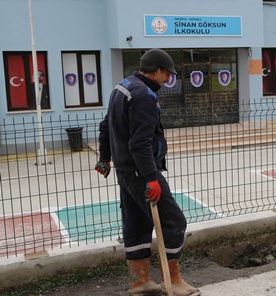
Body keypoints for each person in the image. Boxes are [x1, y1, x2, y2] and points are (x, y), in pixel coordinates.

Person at [95, 48, 200, 296]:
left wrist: (105, 158)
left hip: (125, 170)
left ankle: (139, 282)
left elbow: (105, 126)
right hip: (141, 172)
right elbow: (139, 143)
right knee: (174, 222)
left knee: (137, 223)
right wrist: (152, 178)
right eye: (167, 74)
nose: (167, 80)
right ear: (157, 70)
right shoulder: (144, 95)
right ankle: (172, 282)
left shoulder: (122, 87)